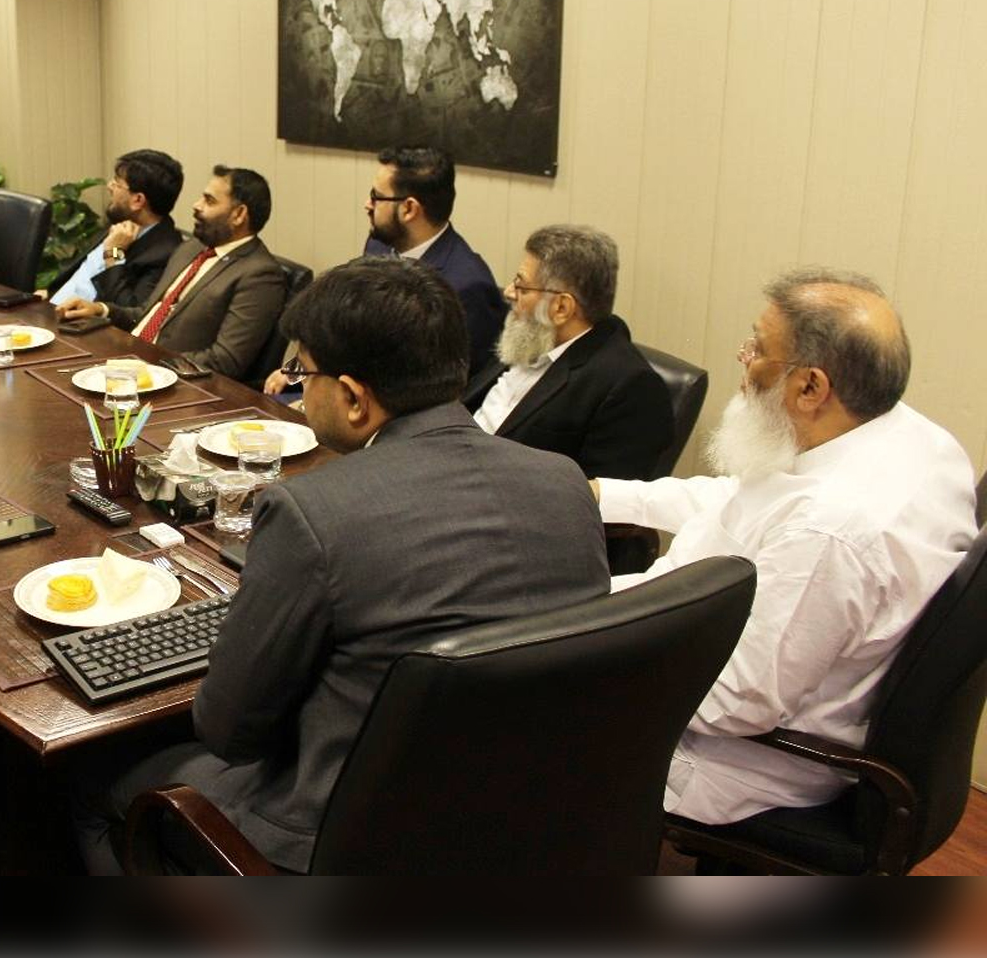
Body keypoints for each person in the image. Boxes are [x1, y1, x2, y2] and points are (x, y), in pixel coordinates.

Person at [76, 257, 609, 873]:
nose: (298, 386)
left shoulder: (313, 512)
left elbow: (229, 732)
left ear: (354, 398)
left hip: (346, 837)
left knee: (88, 784)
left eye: (303, 372)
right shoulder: (564, 482)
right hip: (527, 820)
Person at [596, 269, 977, 826]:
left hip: (727, 759)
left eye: (757, 349)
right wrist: (602, 496)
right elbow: (746, 503)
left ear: (810, 388)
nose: (744, 360)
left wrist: (580, 646)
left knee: (487, 704)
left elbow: (735, 703)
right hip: (696, 637)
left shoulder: (830, 531)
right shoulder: (906, 436)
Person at [260, 146, 504, 395]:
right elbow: (350, 330)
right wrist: (300, 369)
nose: (367, 204)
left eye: (376, 197)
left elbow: (451, 391)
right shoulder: (380, 245)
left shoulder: (467, 286)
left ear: (409, 209)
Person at [464, 224, 672, 480]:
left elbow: (592, 495)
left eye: (522, 287)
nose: (508, 292)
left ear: (561, 307)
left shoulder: (630, 388)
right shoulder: (527, 337)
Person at [58, 165, 285, 380]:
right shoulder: (193, 247)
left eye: (209, 201)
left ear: (239, 214)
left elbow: (226, 360)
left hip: (168, 379)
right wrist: (101, 309)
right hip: (127, 354)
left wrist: (113, 254)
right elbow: (146, 313)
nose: (196, 205)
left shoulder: (259, 274)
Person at [48, 149, 184, 309]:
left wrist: (113, 253)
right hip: (51, 306)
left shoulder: (164, 253)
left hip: (78, 320)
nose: (109, 186)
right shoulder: (122, 219)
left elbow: (131, 310)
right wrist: (50, 294)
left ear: (138, 200)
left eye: (117, 183)